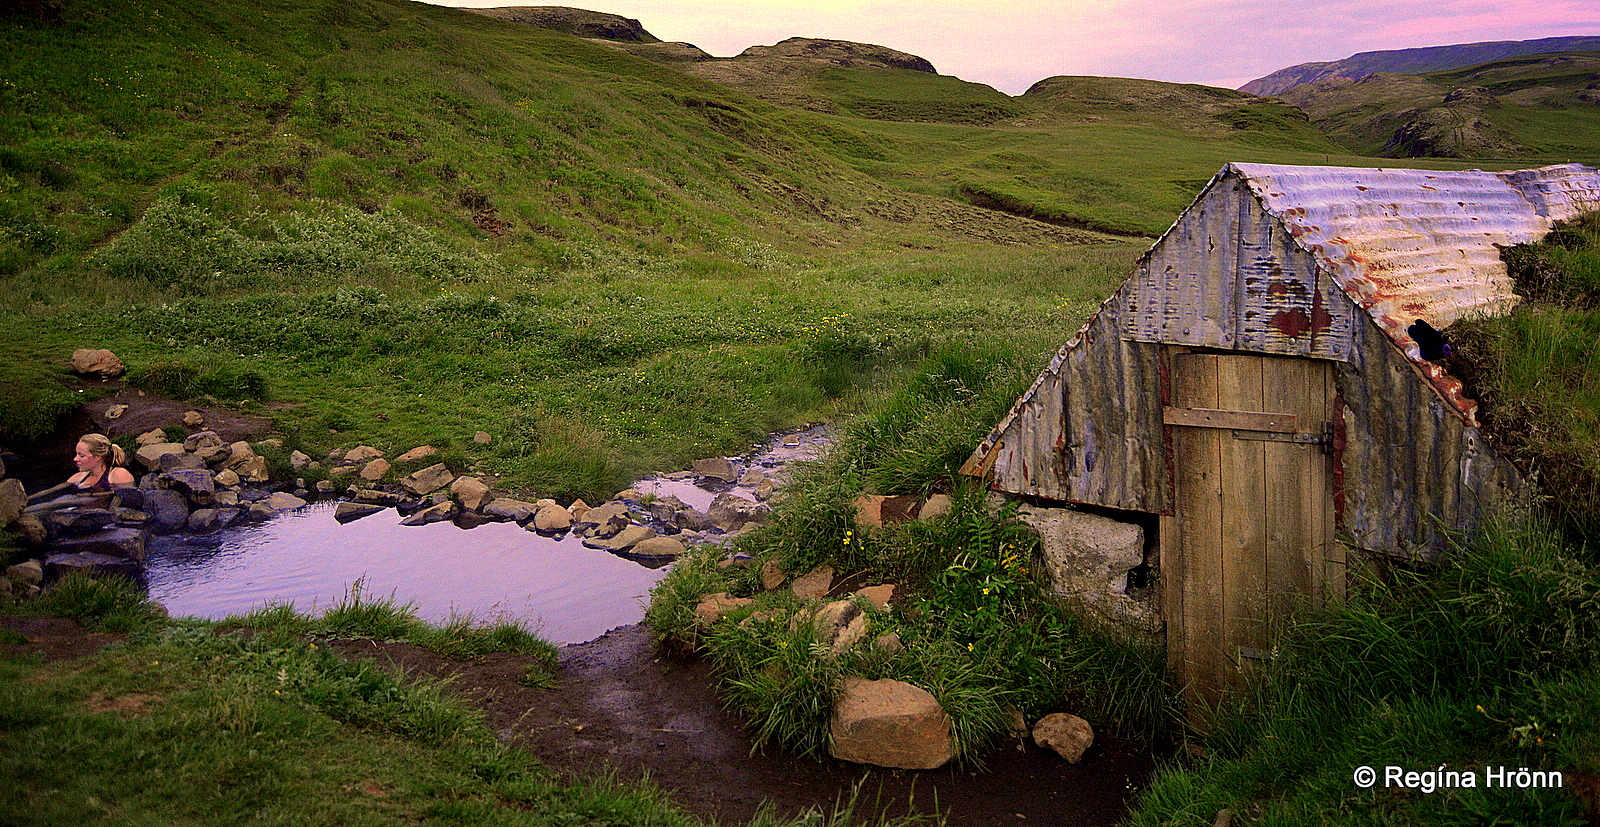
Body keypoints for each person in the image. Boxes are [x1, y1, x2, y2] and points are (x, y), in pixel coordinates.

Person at [68, 433, 134, 491]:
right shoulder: (77, 478)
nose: (75, 459)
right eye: (76, 454)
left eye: (81, 455)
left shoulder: (118, 475)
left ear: (98, 457)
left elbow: (131, 499)